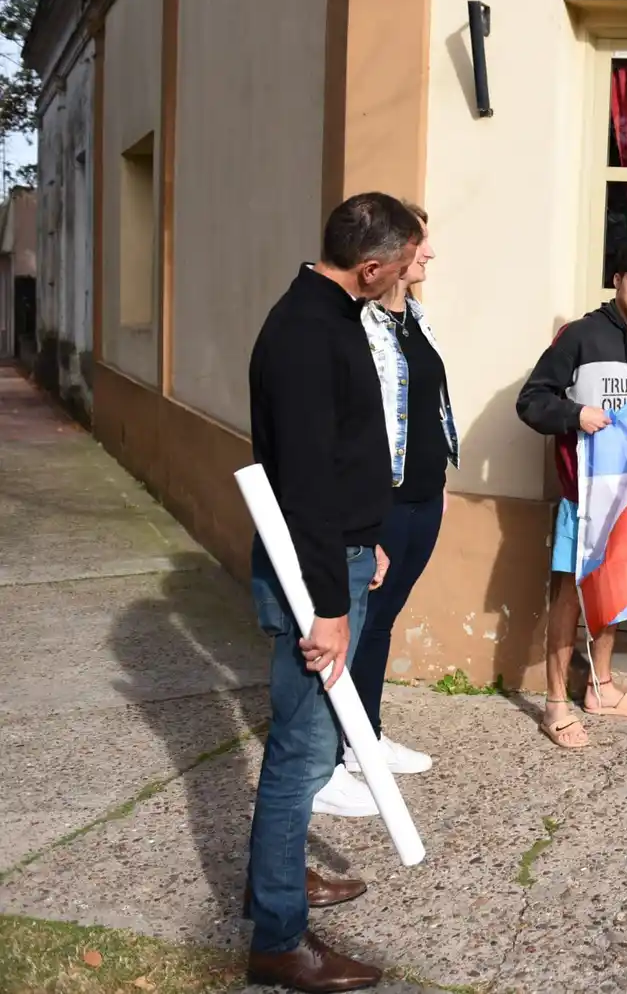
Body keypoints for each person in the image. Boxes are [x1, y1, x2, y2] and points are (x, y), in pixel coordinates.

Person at [244, 193, 424, 991]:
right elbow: (307, 484)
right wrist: (332, 607)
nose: (410, 277)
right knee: (303, 752)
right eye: (407, 263)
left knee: (304, 749)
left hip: (342, 550)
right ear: (373, 265)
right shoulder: (309, 333)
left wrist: (370, 535)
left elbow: (341, 457)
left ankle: (279, 879)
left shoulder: (330, 315)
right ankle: (280, 938)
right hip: (313, 573)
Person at [309, 204, 456, 817]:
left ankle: (364, 734)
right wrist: (368, 522)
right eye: (420, 246)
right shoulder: (358, 326)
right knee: (358, 623)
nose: (428, 256)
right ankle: (335, 755)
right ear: (388, 259)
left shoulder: (413, 318)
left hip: (425, 493)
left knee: (382, 619)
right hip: (386, 500)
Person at [516, 243, 627, 748]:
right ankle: (555, 704)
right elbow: (532, 400)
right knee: (567, 596)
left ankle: (600, 686)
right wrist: (574, 415)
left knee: (614, 590)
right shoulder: (579, 335)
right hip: (580, 495)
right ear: (617, 280)